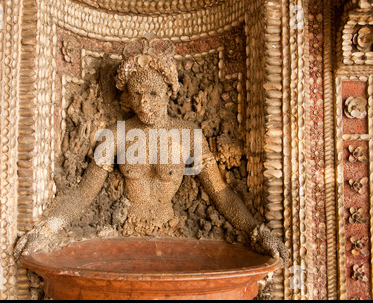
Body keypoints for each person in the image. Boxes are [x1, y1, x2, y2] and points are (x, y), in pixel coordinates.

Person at [14, 38, 288, 264]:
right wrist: (48, 228)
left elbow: (220, 192)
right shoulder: (115, 135)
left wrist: (256, 231)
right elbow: (85, 192)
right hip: (123, 237)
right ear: (128, 95)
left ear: (169, 92)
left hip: (174, 234)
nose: (143, 103)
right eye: (136, 94)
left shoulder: (189, 135)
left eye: (153, 94)